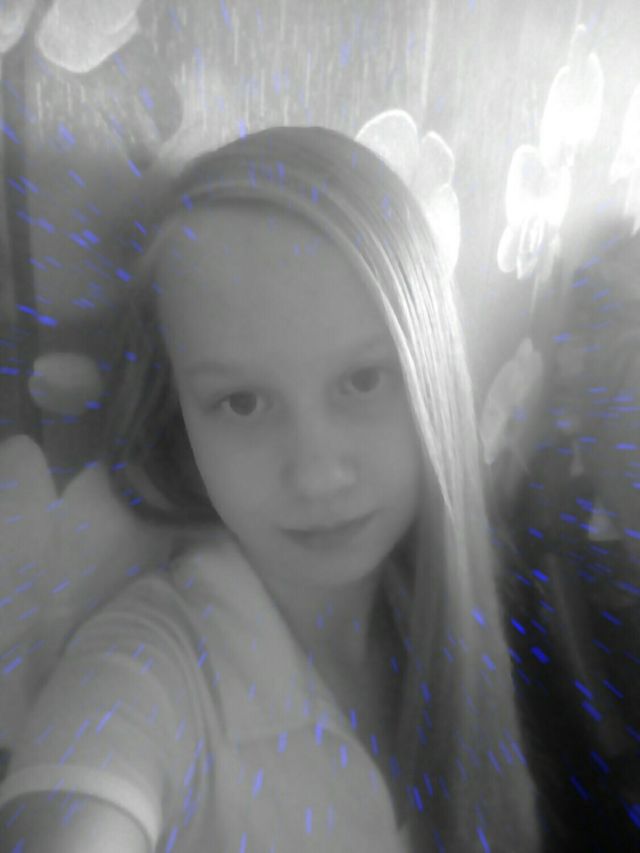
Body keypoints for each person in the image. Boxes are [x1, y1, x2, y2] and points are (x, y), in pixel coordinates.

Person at [0, 126, 540, 851]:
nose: (316, 473)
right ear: (178, 414)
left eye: (363, 380)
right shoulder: (147, 669)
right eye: (243, 402)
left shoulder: (437, 615)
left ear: (432, 371)